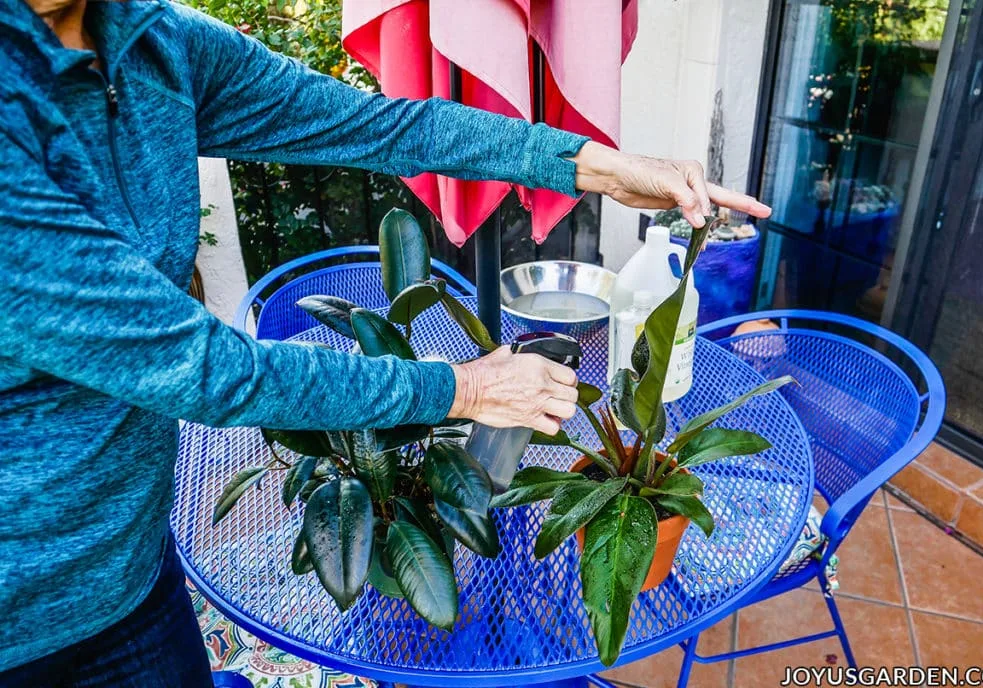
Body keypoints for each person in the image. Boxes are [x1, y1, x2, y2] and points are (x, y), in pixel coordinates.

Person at [0, 0, 772, 685]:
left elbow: (384, 125)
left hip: (128, 568)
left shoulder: (151, 40)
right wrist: (463, 388)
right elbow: (202, 369)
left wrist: (593, 166)